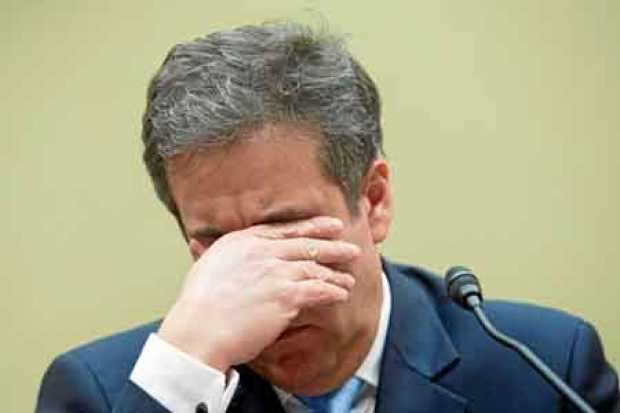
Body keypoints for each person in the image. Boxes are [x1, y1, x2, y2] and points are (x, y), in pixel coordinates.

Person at [36, 21, 619, 413]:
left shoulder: (542, 368)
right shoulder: (104, 392)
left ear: (373, 199)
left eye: (289, 232)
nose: (265, 284)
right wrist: (182, 372)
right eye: (217, 244)